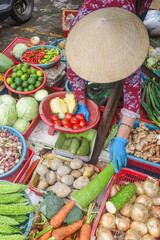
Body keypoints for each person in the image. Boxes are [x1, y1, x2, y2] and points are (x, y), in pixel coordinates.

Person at [66, 0, 152, 173]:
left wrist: (121, 138)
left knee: (133, 70)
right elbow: (73, 70)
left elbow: (133, 94)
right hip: (96, 9)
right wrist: (81, 102)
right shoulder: (78, 35)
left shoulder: (128, 44)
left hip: (131, 6)